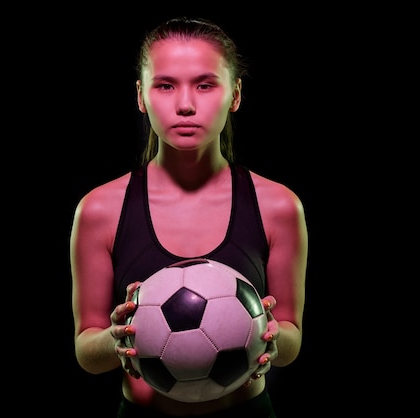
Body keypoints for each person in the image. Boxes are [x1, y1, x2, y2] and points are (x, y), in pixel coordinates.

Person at [70, 16, 308, 418]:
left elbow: (290, 340)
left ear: (234, 94)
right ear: (141, 96)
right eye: (165, 85)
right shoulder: (99, 209)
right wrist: (116, 339)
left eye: (205, 84)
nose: (184, 104)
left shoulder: (279, 206)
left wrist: (268, 336)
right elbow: (85, 350)